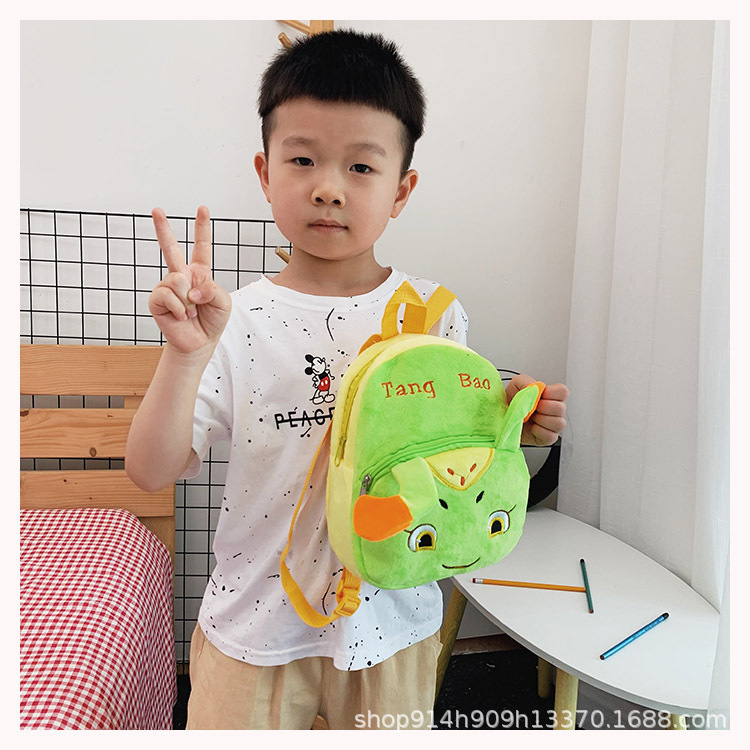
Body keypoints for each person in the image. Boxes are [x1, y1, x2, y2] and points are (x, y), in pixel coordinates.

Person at [125, 29, 568, 730]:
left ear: (402, 190)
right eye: (302, 159)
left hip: (393, 626)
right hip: (254, 633)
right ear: (265, 172)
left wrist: (515, 429)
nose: (328, 188)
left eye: (362, 167)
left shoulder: (432, 316)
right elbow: (149, 471)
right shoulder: (233, 320)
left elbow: (454, 469)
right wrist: (183, 357)